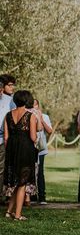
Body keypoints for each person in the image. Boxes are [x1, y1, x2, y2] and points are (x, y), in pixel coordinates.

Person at [3, 90, 38, 221]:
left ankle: (8, 211)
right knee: (22, 183)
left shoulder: (7, 115)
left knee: (17, 182)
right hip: (25, 150)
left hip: (11, 149)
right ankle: (17, 215)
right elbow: (33, 137)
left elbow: (6, 137)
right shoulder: (31, 116)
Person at [32, 99, 52, 204]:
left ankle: (42, 196)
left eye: (35, 105)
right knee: (30, 172)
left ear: (38, 106)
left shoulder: (45, 116)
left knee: (40, 172)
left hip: (41, 149)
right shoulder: (27, 115)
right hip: (30, 148)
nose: (33, 107)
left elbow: (49, 131)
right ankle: (32, 195)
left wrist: (41, 119)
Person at [0, 74, 17, 199]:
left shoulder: (11, 101)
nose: (12, 87)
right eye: (10, 85)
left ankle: (1, 195)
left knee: (2, 169)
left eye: (13, 85)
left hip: (3, 139)